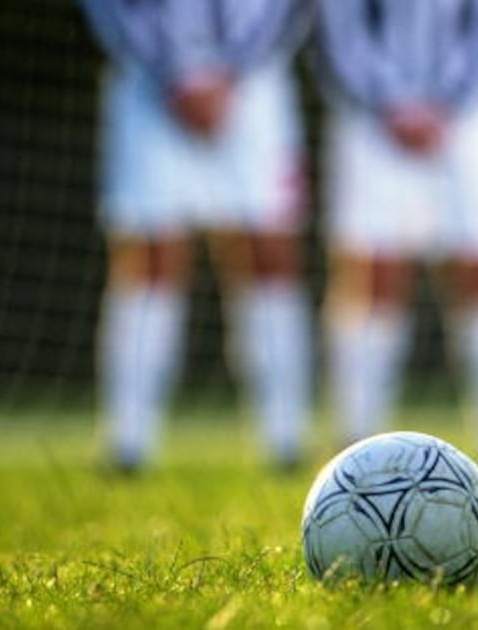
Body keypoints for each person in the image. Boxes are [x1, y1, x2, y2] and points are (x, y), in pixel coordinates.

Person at [81, 0, 311, 471]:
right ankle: (129, 441)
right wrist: (176, 72)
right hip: (151, 85)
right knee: (150, 256)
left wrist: (231, 70)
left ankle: (286, 438)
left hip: (253, 82)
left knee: (269, 252)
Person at [316, 0, 478, 464]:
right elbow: (341, 21)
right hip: (372, 119)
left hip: (472, 115)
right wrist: (388, 97)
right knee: (374, 269)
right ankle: (357, 442)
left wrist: (447, 98)